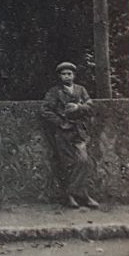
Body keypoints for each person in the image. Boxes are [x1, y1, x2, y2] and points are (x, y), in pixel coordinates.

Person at [40, 61, 100, 209]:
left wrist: (78, 107)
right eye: (63, 74)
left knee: (84, 161)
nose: (66, 76)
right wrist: (60, 122)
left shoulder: (81, 90)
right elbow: (45, 110)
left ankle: (78, 194)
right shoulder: (54, 92)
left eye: (69, 74)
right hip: (63, 133)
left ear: (74, 75)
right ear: (59, 76)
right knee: (68, 164)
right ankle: (72, 197)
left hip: (79, 130)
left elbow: (91, 106)